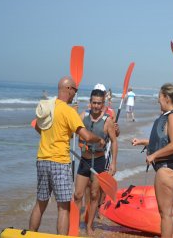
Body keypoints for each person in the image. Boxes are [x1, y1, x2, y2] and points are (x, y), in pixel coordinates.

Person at [28, 76, 105, 235]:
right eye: (75, 90)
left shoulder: (49, 106)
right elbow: (87, 136)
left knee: (40, 203)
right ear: (68, 89)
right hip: (59, 163)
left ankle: (30, 234)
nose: (75, 94)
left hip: (42, 160)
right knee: (63, 207)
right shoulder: (69, 111)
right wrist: (100, 139)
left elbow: (37, 126)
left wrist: (54, 135)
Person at [132, 83, 173, 238]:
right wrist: (143, 142)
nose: (158, 100)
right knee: (170, 213)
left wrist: (154, 155)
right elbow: (164, 140)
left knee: (165, 214)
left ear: (166, 97)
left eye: (159, 96)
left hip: (167, 169)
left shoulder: (172, 116)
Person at [74, 88, 118, 236]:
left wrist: (113, 163)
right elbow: (71, 129)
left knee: (94, 195)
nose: (96, 106)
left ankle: (89, 225)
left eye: (99, 103)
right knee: (78, 195)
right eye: (94, 103)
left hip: (99, 161)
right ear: (90, 102)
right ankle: (74, 224)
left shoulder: (108, 121)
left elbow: (114, 141)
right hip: (84, 161)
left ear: (103, 103)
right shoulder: (82, 116)